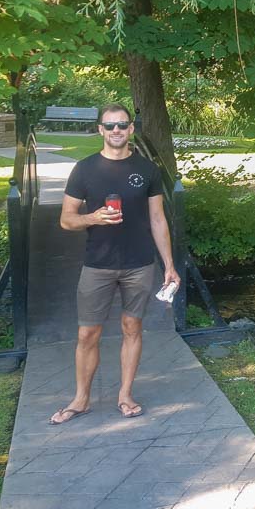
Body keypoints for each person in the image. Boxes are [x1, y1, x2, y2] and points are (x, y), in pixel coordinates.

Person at [49, 103, 181, 424]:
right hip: (98, 264)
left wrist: (169, 265)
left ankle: (125, 395)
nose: (116, 131)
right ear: (100, 130)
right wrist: (93, 217)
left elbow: (157, 219)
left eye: (122, 125)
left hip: (139, 263)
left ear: (131, 129)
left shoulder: (147, 170)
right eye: (110, 126)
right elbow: (66, 220)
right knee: (87, 334)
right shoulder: (84, 169)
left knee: (132, 327)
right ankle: (81, 400)